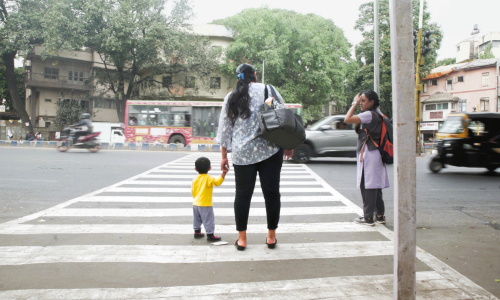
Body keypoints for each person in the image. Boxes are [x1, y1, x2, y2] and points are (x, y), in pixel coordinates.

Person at [214, 63, 294, 251]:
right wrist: (288, 144)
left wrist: (224, 156)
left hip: (242, 153)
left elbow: (225, 128)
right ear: (255, 75)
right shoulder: (269, 89)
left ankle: (242, 239)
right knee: (272, 193)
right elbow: (283, 117)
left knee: (242, 195)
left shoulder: (231, 97)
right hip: (271, 150)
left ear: (238, 78)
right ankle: (271, 237)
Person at [344, 90, 390, 226]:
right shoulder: (378, 113)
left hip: (370, 153)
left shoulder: (369, 114)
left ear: (372, 102)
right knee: (375, 186)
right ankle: (380, 215)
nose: (360, 103)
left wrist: (354, 102)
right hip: (375, 153)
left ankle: (368, 217)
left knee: (367, 186)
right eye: (360, 100)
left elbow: (347, 119)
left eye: (363, 101)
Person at [192, 157, 227, 242]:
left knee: (196, 219)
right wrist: (224, 173)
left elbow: (193, 191)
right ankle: (210, 235)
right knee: (208, 220)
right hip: (205, 204)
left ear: (195, 169)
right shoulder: (209, 178)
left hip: (196, 203)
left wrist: (196, 198)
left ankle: (197, 232)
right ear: (209, 168)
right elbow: (218, 182)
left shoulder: (195, 179)